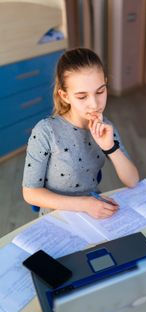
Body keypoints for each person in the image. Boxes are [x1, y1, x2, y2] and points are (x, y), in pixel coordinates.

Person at [22, 48, 139, 219]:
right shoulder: (45, 131)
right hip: (58, 218)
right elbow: (30, 193)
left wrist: (110, 148)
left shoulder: (105, 127)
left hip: (93, 212)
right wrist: (84, 204)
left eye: (100, 91)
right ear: (65, 96)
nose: (94, 104)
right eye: (82, 96)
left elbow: (133, 180)